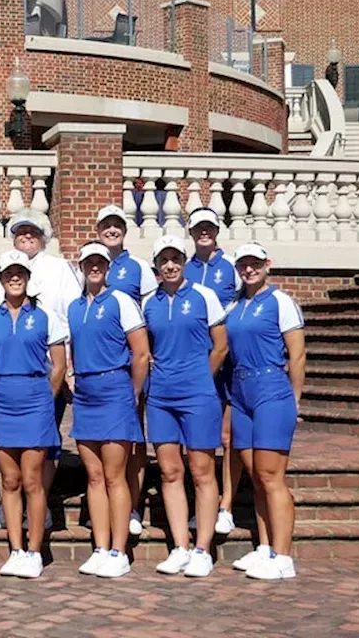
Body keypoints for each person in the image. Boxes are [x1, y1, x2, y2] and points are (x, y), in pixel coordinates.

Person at [0, 210, 81, 533]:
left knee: (44, 447)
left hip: (47, 371)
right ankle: (6, 507)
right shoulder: (0, 270)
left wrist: (66, 372)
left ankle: (41, 505)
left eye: (32, 232)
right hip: (9, 377)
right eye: (21, 232)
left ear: (44, 236)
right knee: (5, 449)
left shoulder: (59, 268)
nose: (26, 236)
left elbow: (71, 317)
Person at [142, 235, 228, 578]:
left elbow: (220, 347)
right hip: (160, 397)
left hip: (198, 395)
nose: (170, 265)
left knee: (202, 471)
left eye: (175, 258)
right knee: (169, 471)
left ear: (183, 260)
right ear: (156, 266)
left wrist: (198, 378)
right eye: (164, 260)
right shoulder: (149, 302)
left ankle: (203, 548)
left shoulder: (205, 296)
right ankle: (179, 546)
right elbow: (147, 348)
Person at [0, 249, 68, 579]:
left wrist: (47, 398)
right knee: (11, 480)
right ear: (1, 280)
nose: (14, 278)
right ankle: (14, 549)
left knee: (32, 479)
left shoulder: (46, 316)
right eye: (8, 274)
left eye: (20, 273)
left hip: (35, 402)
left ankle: (34, 550)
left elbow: (59, 366)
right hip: (3, 404)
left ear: (28, 279)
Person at [67, 242, 150, 579]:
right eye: (89, 262)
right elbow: (70, 347)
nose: (95, 267)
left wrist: (130, 392)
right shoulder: (73, 307)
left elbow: (141, 353)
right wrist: (72, 375)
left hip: (115, 390)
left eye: (100, 262)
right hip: (86, 394)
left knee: (116, 475)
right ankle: (100, 547)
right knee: (95, 475)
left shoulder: (121, 301)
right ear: (82, 266)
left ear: (108, 267)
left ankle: (119, 550)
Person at [223, 242, 306, 581]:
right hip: (240, 393)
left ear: (267, 265)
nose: (249, 269)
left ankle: (284, 557)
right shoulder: (235, 306)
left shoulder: (280, 302)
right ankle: (266, 546)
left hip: (271, 389)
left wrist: (294, 398)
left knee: (272, 476)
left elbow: (297, 354)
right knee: (255, 474)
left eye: (255, 263)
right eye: (243, 264)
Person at [95, 204, 158, 537]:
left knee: (134, 439)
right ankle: (108, 504)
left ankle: (132, 506)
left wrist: (147, 357)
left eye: (117, 225)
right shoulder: (89, 266)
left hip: (130, 364)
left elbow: (150, 315)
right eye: (106, 225)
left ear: (125, 229)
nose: (111, 230)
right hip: (102, 366)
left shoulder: (139, 268)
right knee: (105, 439)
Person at [183, 207, 242, 537]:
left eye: (209, 227)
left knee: (226, 436)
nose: (203, 233)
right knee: (198, 436)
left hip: (226, 361)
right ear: (190, 232)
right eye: (198, 228)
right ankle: (200, 502)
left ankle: (226, 505)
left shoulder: (232, 266)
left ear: (217, 230)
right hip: (193, 362)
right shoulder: (184, 267)